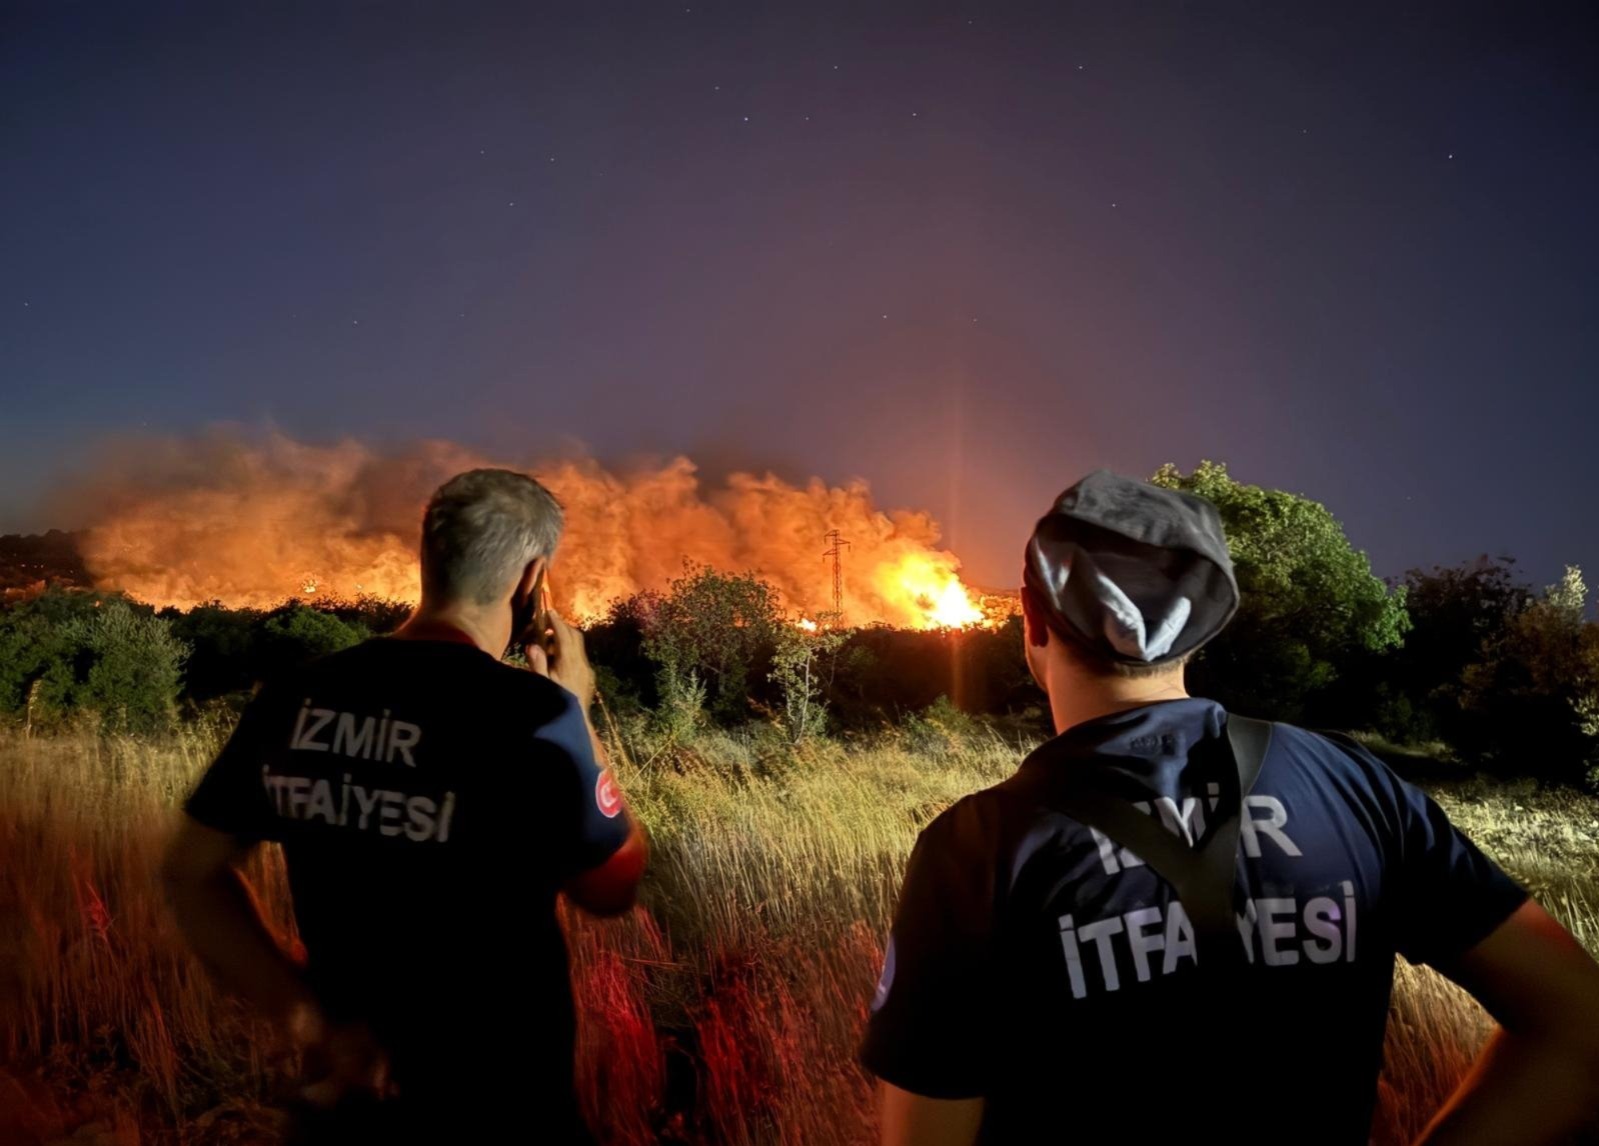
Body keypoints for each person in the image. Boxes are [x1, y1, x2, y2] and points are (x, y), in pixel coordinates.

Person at [861, 470, 1599, 1146]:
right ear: (1205, 623)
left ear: (1031, 620)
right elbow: (1581, 1027)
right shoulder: (1354, 785)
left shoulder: (981, 847)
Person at [161, 468, 647, 1144]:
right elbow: (612, 885)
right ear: (534, 579)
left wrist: (305, 1016)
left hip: (348, 1106)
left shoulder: (297, 696)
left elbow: (190, 870)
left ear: (427, 560)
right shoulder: (532, 716)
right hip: (501, 1105)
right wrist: (577, 714)